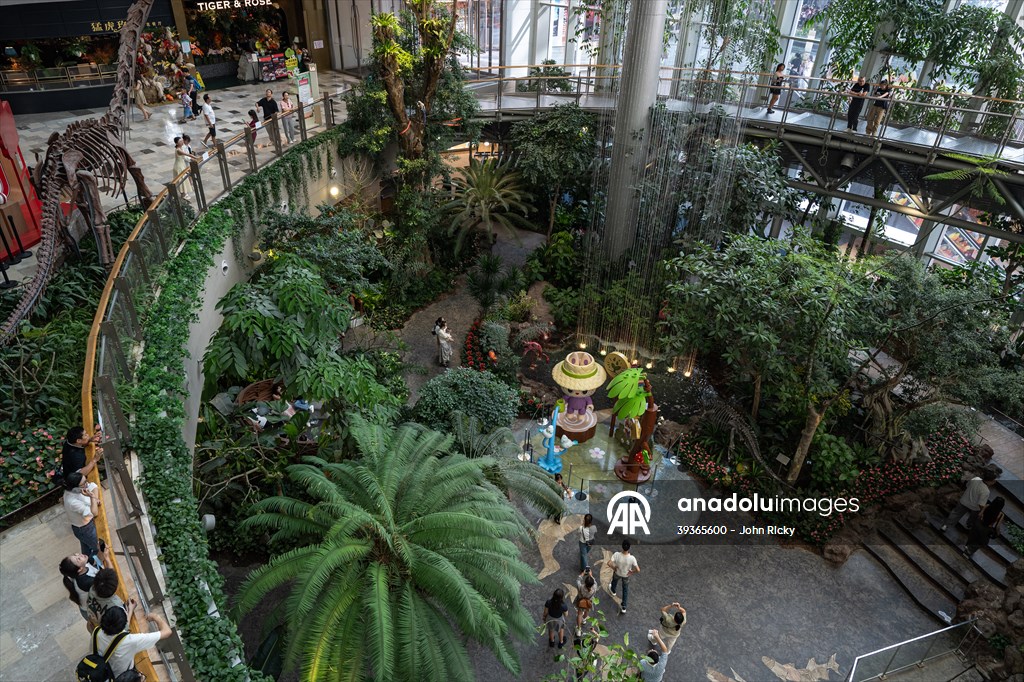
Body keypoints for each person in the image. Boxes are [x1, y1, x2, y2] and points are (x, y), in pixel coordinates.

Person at [96, 605, 173, 678]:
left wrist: (130, 610)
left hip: (98, 669)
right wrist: (156, 617)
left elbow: (119, 635)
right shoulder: (131, 641)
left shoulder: (97, 632)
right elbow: (167, 632)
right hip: (118, 676)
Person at [59, 549, 106, 630]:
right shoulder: (85, 582)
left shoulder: (83, 566)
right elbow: (108, 583)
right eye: (78, 559)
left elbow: (96, 558)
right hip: (92, 613)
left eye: (76, 554)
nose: (80, 555)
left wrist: (101, 549)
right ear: (79, 569)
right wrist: (108, 559)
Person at [63, 471, 102, 557]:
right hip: (84, 529)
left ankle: (89, 563)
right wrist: (93, 498)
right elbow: (94, 512)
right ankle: (94, 564)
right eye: (84, 483)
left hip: (84, 526)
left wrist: (94, 499)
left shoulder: (76, 490)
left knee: (86, 549)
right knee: (97, 548)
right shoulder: (72, 501)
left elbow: (93, 486)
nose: (87, 484)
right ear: (75, 488)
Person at [606, 539, 639, 614]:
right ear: (629, 548)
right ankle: (624, 607)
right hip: (626, 575)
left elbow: (608, 563)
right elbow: (638, 570)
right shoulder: (632, 558)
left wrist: (614, 568)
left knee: (614, 581)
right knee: (625, 590)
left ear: (622, 546)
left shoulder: (617, 554)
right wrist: (632, 572)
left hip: (617, 572)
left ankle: (613, 591)